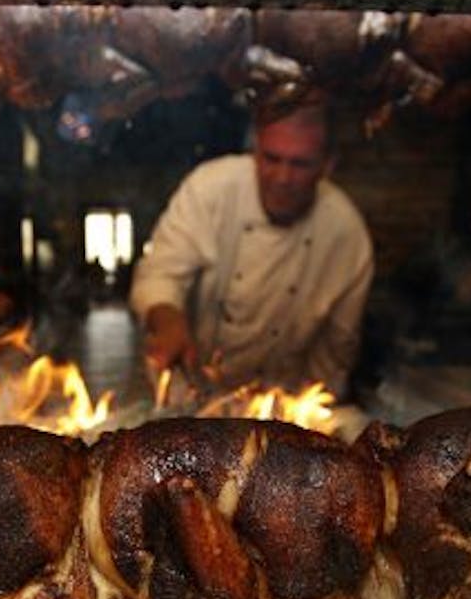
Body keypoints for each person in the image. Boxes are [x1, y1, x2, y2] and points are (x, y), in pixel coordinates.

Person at [129, 101, 373, 395]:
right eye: (272, 158)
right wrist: (169, 322)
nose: (282, 178)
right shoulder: (210, 189)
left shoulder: (346, 234)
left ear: (327, 165)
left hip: (283, 407)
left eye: (300, 164)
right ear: (255, 152)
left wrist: (309, 419)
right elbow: (159, 273)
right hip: (194, 397)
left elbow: (334, 354)